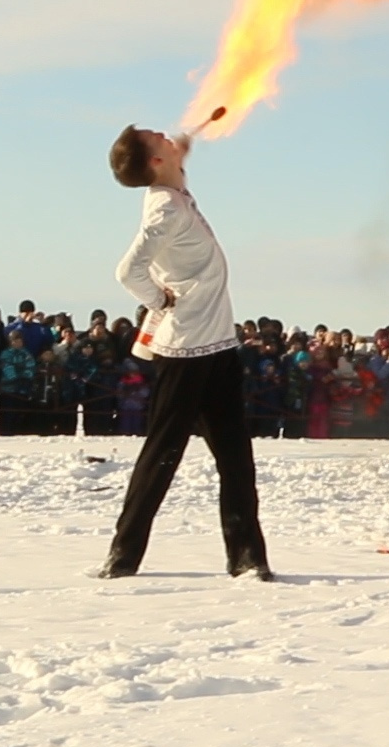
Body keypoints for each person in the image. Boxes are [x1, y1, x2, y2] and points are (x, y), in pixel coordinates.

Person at [96, 124, 271, 581]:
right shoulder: (165, 210)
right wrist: (157, 300)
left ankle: (248, 558)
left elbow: (173, 174)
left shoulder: (174, 193)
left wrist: (178, 156)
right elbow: (127, 270)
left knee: (236, 460)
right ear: (154, 162)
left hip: (219, 348)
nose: (165, 133)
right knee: (161, 456)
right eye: (158, 138)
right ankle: (123, 556)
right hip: (185, 353)